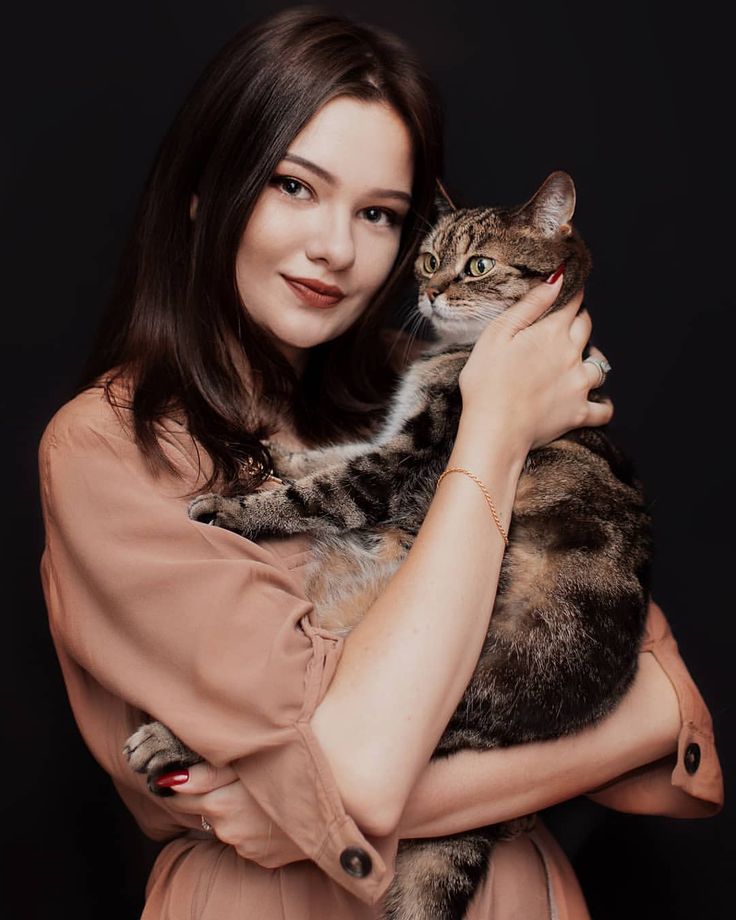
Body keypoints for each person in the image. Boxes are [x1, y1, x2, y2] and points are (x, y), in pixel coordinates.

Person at [38, 8, 723, 919]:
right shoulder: (107, 449)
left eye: (378, 214)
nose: (336, 248)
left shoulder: (434, 382)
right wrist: (496, 430)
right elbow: (363, 774)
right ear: (205, 189)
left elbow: (671, 749)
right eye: (293, 186)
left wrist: (292, 808)